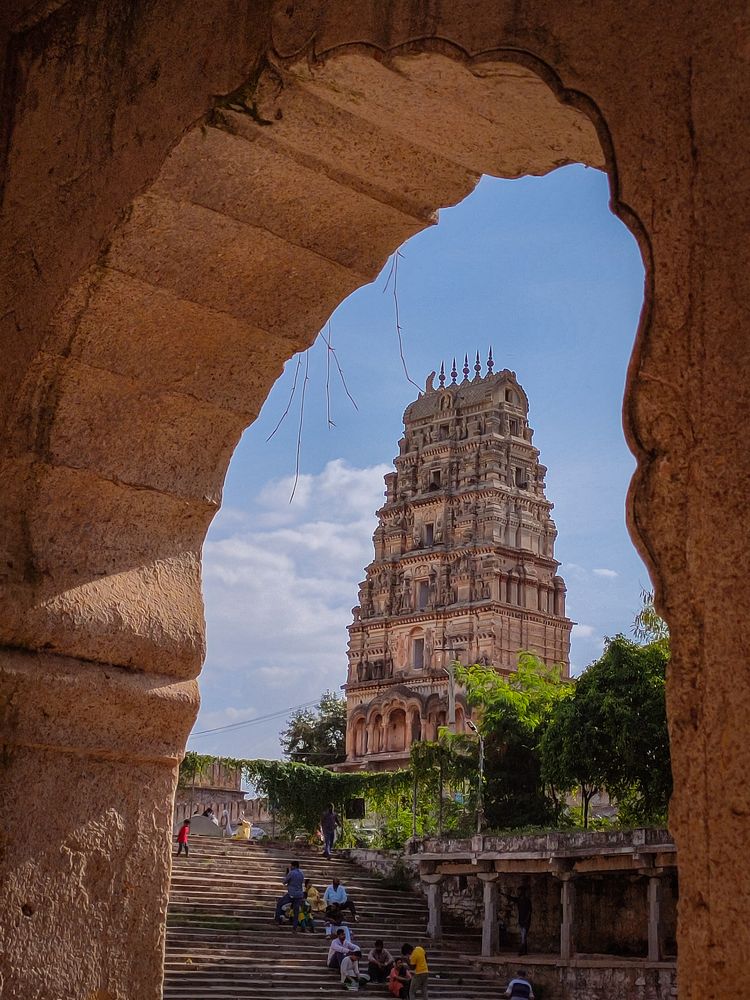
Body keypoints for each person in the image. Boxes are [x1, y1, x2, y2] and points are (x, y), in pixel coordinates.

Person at [274, 860, 306, 931]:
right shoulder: (302, 873)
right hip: (299, 894)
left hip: (291, 894)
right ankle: (294, 927)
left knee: (279, 904)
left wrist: (286, 874)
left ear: (294, 866)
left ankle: (276, 920)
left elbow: (284, 882)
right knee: (296, 911)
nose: (290, 867)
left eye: (291, 866)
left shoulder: (291, 873)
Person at [505, 886, 532, 955]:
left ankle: (521, 951)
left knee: (523, 936)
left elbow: (529, 911)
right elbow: (512, 898)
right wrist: (503, 894)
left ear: (522, 892)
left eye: (519, 891)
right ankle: (525, 951)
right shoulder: (520, 900)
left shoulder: (527, 901)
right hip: (521, 920)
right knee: (523, 936)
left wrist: (526, 920)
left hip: (525, 921)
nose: (518, 892)